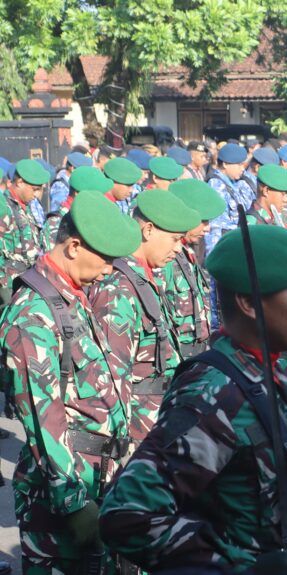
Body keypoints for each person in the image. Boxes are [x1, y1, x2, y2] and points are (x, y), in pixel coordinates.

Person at [99, 225, 287, 575]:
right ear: (248, 303)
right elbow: (128, 515)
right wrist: (244, 568)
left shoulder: (267, 374)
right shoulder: (215, 392)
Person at [0, 190, 140, 574]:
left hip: (96, 473)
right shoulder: (32, 312)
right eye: (105, 258)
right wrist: (76, 503)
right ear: (74, 246)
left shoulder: (70, 297)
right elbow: (44, 419)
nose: (111, 269)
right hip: (61, 494)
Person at [90, 189, 200, 448]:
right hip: (136, 431)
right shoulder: (119, 288)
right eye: (174, 239)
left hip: (155, 420)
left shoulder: (144, 278)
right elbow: (113, 381)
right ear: (148, 230)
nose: (177, 249)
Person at [163, 179, 226, 360]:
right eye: (203, 221)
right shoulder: (165, 258)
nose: (207, 228)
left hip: (195, 349)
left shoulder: (186, 252)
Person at [0, 160, 49, 306]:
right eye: (34, 189)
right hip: (7, 287)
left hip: (24, 281)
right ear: (19, 182)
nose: (36, 195)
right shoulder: (4, 207)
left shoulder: (24, 208)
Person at [205, 142, 256, 254]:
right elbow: (216, 228)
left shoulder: (233, 183)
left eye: (243, 165)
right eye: (238, 165)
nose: (242, 169)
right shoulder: (216, 186)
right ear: (225, 164)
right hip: (223, 247)